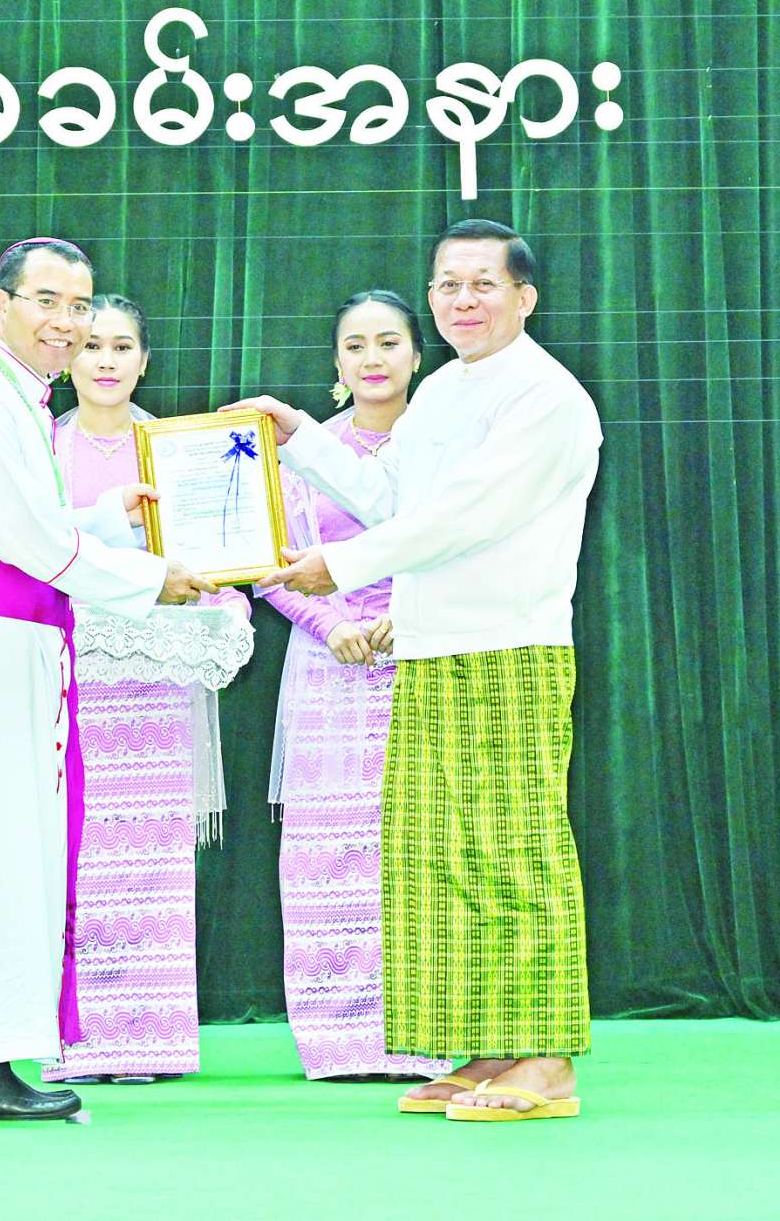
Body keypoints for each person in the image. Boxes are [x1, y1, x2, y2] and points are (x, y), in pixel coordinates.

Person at [245, 219, 601, 1122]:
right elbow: (389, 498)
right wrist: (300, 438)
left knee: (517, 849)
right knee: (446, 857)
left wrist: (339, 567)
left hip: (510, 648)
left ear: (525, 297)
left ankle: (546, 1060)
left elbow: (466, 516)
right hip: (432, 649)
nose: (462, 301)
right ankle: (490, 1047)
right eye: (447, 284)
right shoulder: (442, 391)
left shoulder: (546, 397)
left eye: (484, 284)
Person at [0, 239, 214, 1121]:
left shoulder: (15, 397)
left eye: (80, 305)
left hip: (12, 645)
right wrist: (153, 580)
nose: (66, 322)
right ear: (4, 302)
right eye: (47, 301)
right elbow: (29, 543)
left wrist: (107, 517)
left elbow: (24, 520)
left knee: (2, 848)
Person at [41, 295, 253, 1085]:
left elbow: (214, 550)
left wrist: (221, 597)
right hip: (72, 671)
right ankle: (75, 1038)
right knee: (77, 852)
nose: (105, 360)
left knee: (152, 855)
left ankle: (150, 1039)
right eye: (91, 344)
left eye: (121, 345)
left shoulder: (175, 448)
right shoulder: (42, 446)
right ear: (68, 357)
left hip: (158, 673)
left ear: (144, 360)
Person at [260, 290, 450, 1083]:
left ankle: (420, 1035)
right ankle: (336, 1040)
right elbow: (267, 565)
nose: (373, 358)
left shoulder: (447, 447)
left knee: (418, 848)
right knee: (328, 854)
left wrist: (412, 615)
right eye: (355, 345)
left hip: (425, 659)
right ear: (337, 361)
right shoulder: (304, 453)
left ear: (417, 355)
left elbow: (465, 545)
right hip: (327, 667)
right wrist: (329, 623)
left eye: (389, 342)